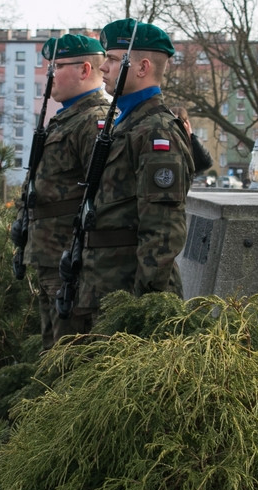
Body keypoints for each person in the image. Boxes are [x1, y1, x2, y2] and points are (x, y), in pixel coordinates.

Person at [71, 18, 193, 321]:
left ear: (141, 67)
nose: (103, 67)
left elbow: (162, 231)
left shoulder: (157, 132)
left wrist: (142, 309)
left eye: (112, 60)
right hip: (107, 287)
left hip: (131, 297)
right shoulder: (127, 123)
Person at [22, 34, 110, 349]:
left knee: (66, 355)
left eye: (58, 66)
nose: (50, 74)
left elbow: (101, 197)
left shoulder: (94, 120)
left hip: (70, 261)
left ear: (85, 69)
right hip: (51, 256)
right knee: (51, 350)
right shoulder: (68, 118)